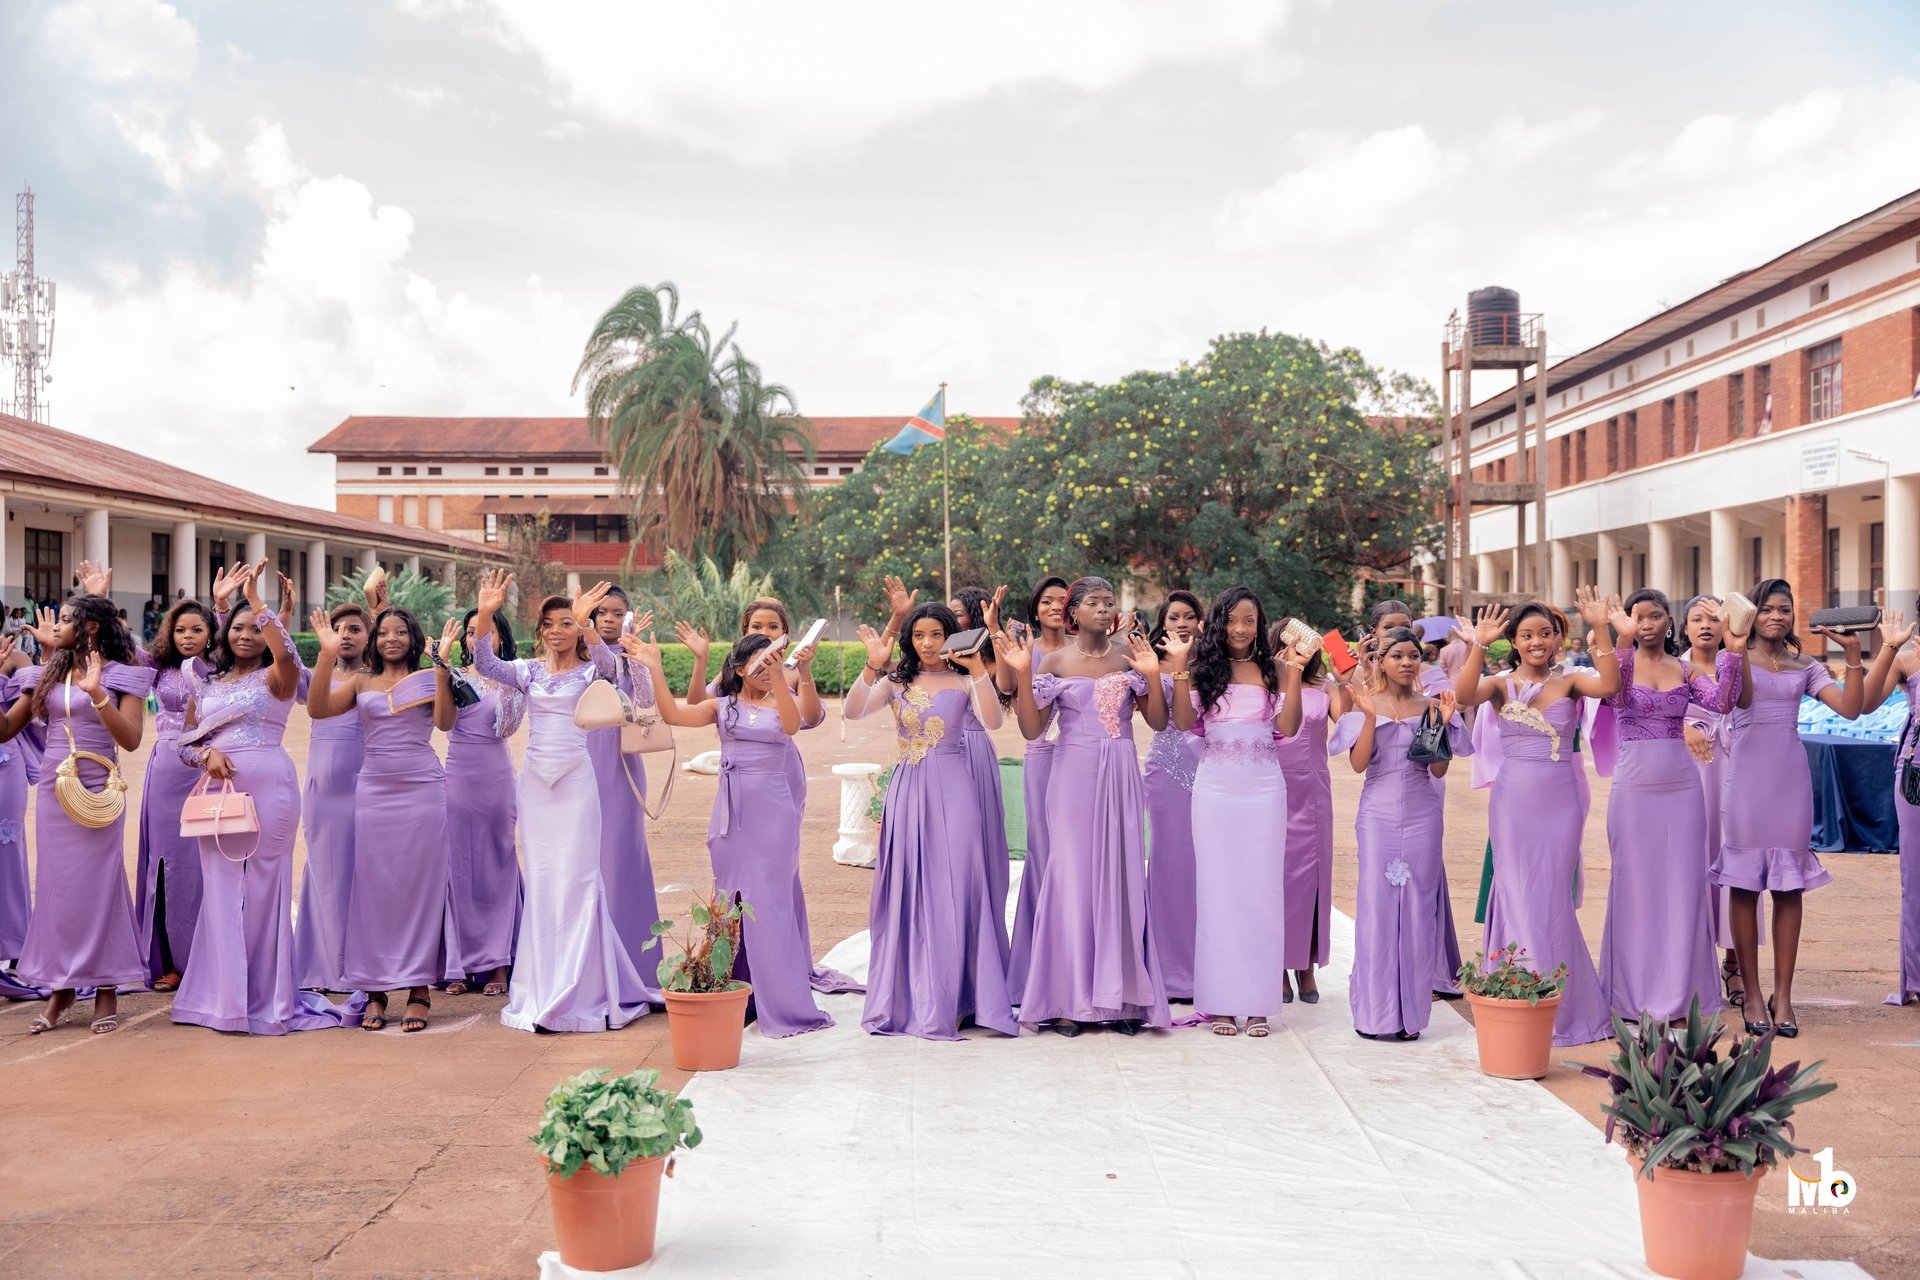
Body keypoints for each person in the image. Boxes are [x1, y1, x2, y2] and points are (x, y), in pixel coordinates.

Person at [172, 564, 354, 1034]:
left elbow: (287, 652)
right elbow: (184, 741)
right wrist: (207, 752)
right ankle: (223, 999)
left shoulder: (280, 675)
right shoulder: (207, 683)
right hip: (217, 791)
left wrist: (259, 603)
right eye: (239, 627)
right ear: (224, 633)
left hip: (270, 784)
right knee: (220, 889)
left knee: (263, 889)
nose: (247, 634)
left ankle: (266, 997)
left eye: (256, 628)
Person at [627, 628, 833, 1036]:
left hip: (774, 814)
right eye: (758, 663)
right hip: (730, 818)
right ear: (738, 669)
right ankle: (739, 992)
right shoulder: (721, 706)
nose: (766, 668)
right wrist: (654, 668)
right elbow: (673, 715)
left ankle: (785, 1003)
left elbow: (793, 726)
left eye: (773, 660)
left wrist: (783, 674)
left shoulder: (782, 703)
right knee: (728, 904)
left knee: (771, 904)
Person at [470, 574, 652, 1033]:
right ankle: (541, 986)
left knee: (579, 879)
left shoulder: (594, 669)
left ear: (579, 627)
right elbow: (487, 664)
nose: (556, 630)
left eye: (565, 622)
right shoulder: (528, 670)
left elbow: (613, 669)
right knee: (546, 880)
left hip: (577, 783)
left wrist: (589, 621)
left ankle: (583, 989)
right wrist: (487, 613)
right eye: (548, 623)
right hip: (535, 785)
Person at [1452, 589, 1625, 1047]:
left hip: (1561, 802)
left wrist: (1601, 629)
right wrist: (1477, 645)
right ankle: (1516, 991)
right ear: (1514, 641)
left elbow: (1611, 687)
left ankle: (1561, 1003)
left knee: (1550, 896)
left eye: (1544, 633)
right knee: (1515, 891)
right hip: (1512, 803)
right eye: (1526, 635)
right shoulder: (1500, 684)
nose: (1536, 641)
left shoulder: (1571, 680)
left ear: (1554, 638)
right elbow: (1464, 694)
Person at [1717, 578, 1886, 1037]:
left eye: (1785, 609)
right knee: (1746, 885)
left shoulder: (1805, 664)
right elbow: (1741, 700)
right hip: (1747, 783)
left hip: (1791, 781)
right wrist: (1734, 648)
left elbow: (1852, 710)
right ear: (1752, 613)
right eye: (1768, 608)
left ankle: (1784, 996)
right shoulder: (1730, 657)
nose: (1778, 616)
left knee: (1789, 888)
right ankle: (1751, 993)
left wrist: (1853, 655)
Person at [1002, 576, 1171, 1035]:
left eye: (1108, 602)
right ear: (1073, 613)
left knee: (1121, 876)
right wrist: (1021, 672)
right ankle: (1066, 1000)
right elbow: (1032, 731)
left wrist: (1153, 674)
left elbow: (1157, 720)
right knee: (1072, 878)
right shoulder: (1054, 661)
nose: (1103, 608)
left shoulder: (1129, 657)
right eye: (1093, 602)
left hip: (1120, 770)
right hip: (1072, 774)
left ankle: (1124, 1002)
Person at [845, 602, 1016, 1039]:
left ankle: (959, 997)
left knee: (958, 884)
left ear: (950, 636)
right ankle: (912, 995)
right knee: (911, 883)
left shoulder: (964, 681)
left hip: (957, 786)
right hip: (908, 789)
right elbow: (853, 711)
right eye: (918, 635)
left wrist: (978, 668)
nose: (926, 644)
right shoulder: (895, 682)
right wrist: (871, 665)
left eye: (935, 635)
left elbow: (994, 721)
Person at [678, 593, 857, 1000]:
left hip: (780, 774)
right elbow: (695, 706)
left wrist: (801, 671)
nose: (765, 632)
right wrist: (700, 661)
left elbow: (809, 719)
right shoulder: (736, 673)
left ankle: (782, 962)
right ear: (746, 631)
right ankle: (742, 966)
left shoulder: (788, 673)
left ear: (786, 633)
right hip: (739, 778)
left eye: (772, 627)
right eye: (757, 627)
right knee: (741, 872)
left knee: (776, 870)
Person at [0, 594, 157, 1033]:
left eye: (67, 619)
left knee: (100, 883)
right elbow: (6, 729)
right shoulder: (47, 672)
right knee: (57, 886)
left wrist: (99, 694)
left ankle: (105, 986)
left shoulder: (123, 674)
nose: (57, 626)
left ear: (89, 627)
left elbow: (130, 740)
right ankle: (62, 989)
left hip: (99, 783)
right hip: (55, 786)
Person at [1165, 588, 1309, 1037]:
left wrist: (1294, 676)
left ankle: (1258, 1002)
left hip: (1264, 788)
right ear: (1220, 623)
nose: (1241, 629)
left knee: (1262, 892)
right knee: (1218, 892)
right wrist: (1181, 671)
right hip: (1216, 790)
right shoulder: (1204, 669)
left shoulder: (1275, 669)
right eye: (1233, 620)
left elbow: (1288, 728)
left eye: (1250, 620)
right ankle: (1222, 1004)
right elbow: (1186, 722)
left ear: (1259, 624)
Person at [308, 602, 456, 1034]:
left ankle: (419, 989)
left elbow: (446, 723)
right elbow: (316, 709)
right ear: (376, 639)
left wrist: (443, 668)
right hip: (373, 791)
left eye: (401, 632)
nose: (392, 638)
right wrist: (325, 654)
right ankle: (375, 989)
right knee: (374, 889)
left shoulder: (428, 677)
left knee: (420, 889)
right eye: (385, 632)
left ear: (414, 638)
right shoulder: (359, 680)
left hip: (424, 790)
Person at [1595, 588, 1738, 1023]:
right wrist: (1613, 636)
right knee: (1634, 886)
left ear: (1668, 622)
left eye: (1655, 615)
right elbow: (1614, 694)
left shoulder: (1688, 668)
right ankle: (1630, 996)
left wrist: (1734, 645)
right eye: (1638, 617)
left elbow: (1724, 701)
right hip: (1634, 789)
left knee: (1682, 888)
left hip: (1682, 788)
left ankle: (1682, 996)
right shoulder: (1620, 665)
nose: (1646, 623)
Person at [1334, 627, 1469, 1040]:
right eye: (1398, 656)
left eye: (1414, 655)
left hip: (1423, 816)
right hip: (1377, 816)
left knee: (1417, 910)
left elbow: (1437, 769)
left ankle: (1410, 1016)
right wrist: (1371, 718)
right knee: (1376, 909)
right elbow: (1359, 766)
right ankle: (1375, 1015)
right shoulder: (1364, 704)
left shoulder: (1433, 706)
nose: (1407, 663)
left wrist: (1443, 725)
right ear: (1381, 660)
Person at [1367, 600, 1465, 997]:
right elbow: (1360, 756)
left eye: (1407, 631)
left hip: (1423, 788)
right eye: (1389, 629)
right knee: (1383, 894)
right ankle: (1382, 989)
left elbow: (1436, 762)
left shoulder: (1434, 686)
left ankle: (1426, 974)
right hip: (1380, 798)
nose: (1400, 640)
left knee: (1421, 888)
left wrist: (1437, 724)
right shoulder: (1365, 688)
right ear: (1375, 636)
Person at [439, 608, 526, 997]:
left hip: (496, 779)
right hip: (456, 777)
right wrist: (441, 670)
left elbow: (508, 727)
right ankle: (458, 961)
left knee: (497, 864)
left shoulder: (514, 678)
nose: (477, 639)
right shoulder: (451, 675)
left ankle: (498, 962)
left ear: (500, 637)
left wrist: (501, 681)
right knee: (457, 867)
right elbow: (439, 721)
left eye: (486, 632)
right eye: (472, 632)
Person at [583, 585, 665, 991]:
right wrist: (583, 628)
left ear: (628, 616)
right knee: (586, 863)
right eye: (602, 612)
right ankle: (590, 963)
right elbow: (600, 660)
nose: (609, 618)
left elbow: (647, 702)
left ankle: (632, 965)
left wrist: (639, 660)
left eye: (618, 612)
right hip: (583, 764)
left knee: (620, 860)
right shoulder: (583, 656)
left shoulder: (631, 658)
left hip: (622, 767)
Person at [135, 599, 216, 991]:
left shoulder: (221, 668)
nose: (188, 636)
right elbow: (117, 651)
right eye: (181, 630)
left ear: (210, 632)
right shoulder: (158, 666)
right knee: (167, 867)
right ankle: (170, 962)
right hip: (167, 770)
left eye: (197, 629)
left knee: (209, 863)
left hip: (210, 768)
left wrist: (220, 605)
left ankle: (209, 958)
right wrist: (101, 598)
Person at [294, 601, 373, 992]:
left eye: (355, 629)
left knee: (361, 874)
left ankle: (359, 963)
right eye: (339, 628)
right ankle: (321, 965)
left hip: (366, 788)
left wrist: (381, 607)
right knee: (325, 873)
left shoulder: (375, 678)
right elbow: (281, 658)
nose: (346, 634)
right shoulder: (314, 676)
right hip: (321, 794)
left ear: (368, 635)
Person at [1272, 615, 1346, 1006]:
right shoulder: (1264, 686)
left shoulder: (1326, 686)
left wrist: (1349, 670)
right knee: (1277, 878)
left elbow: (1348, 719)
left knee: (1311, 880)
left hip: (1314, 792)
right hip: (1272, 789)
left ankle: (1307, 965)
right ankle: (1279, 965)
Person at [1007, 574, 1071, 1005]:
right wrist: (1013, 656)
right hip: (1040, 755)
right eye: (1047, 600)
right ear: (1036, 608)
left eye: (1062, 601)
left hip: (1079, 760)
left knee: (1074, 858)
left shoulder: (1086, 647)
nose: (1055, 606)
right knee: (1044, 854)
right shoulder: (1026, 651)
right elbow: (1010, 694)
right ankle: (1035, 967)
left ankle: (1073, 960)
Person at [1143, 591, 1203, 1001]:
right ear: (1162, 624)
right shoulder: (1152, 664)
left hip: (1211, 775)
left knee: (1205, 870)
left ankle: (1205, 968)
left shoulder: (1216, 666)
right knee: (1167, 868)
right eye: (1172, 617)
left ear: (1201, 621)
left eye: (1188, 616)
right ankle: (1165, 972)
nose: (1181, 623)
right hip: (1165, 774)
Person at [1860, 605, 1920, 1008]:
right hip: (1917, 776)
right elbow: (1864, 705)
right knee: (1915, 880)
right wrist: (1886, 648)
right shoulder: (1908, 658)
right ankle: (1916, 977)